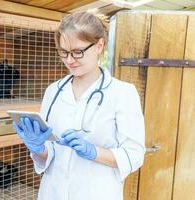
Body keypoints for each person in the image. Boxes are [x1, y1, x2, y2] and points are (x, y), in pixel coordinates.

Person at [13, 10, 145, 200]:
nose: (69, 60)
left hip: (96, 193)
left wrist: (93, 152)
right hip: (53, 192)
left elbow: (134, 155)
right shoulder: (53, 91)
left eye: (77, 52)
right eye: (64, 52)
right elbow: (49, 155)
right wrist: (38, 148)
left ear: (99, 45)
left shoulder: (122, 93)